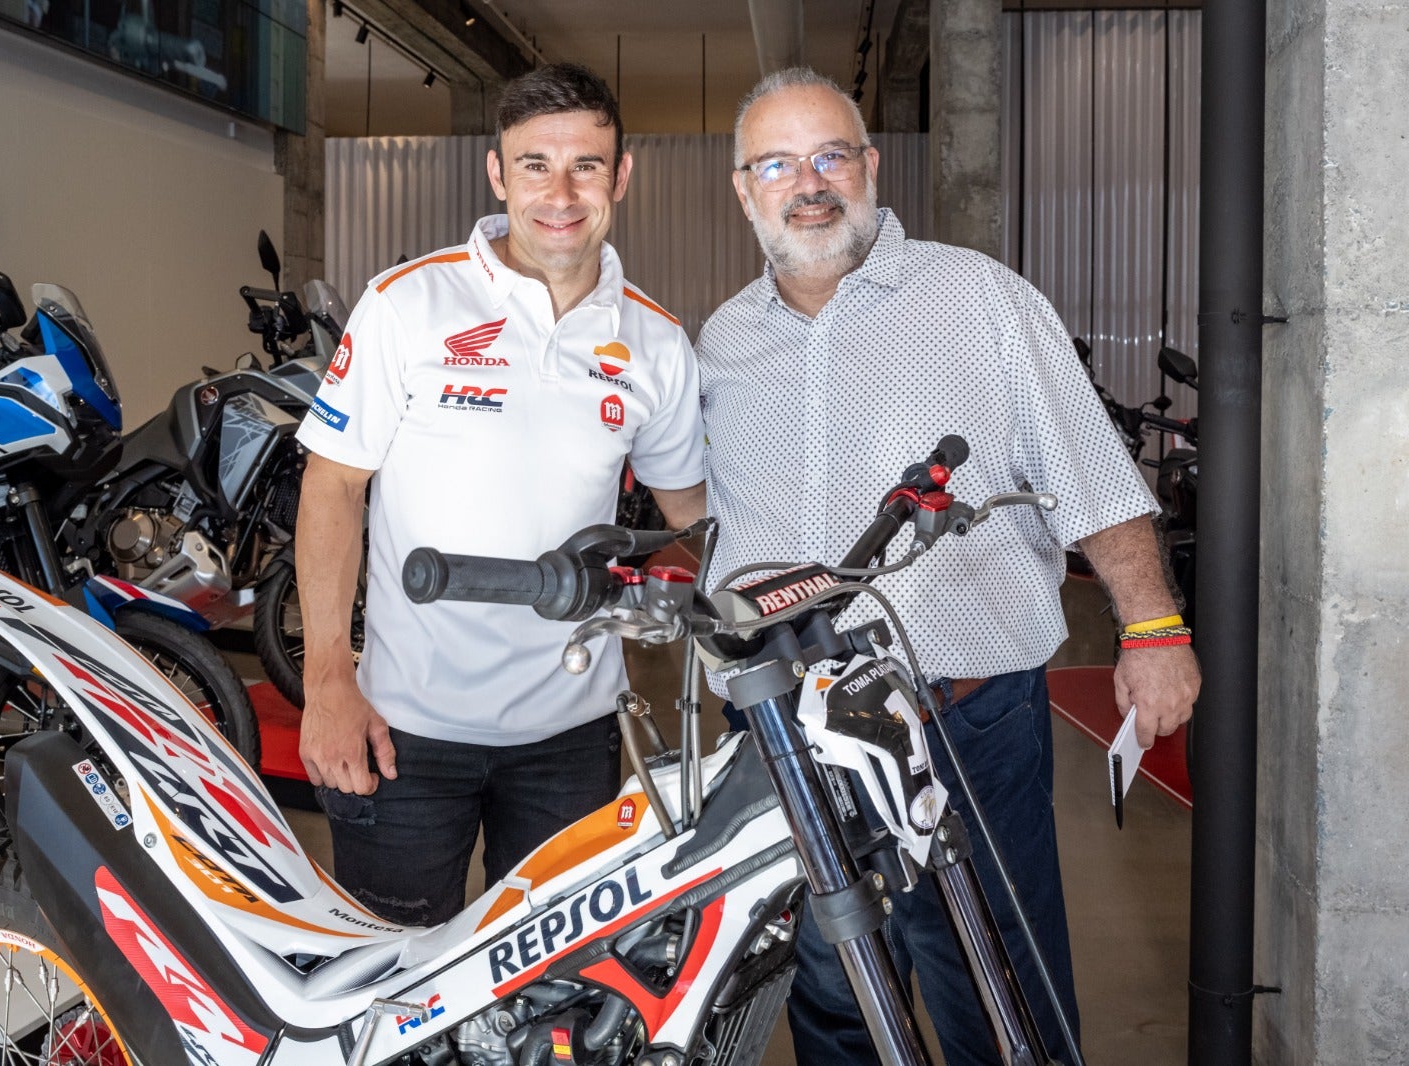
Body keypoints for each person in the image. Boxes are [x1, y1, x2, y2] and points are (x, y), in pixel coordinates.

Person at [697, 68, 1201, 1065]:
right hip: (789, 732)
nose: (810, 183)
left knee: (994, 991)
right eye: (778, 163)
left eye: (831, 154)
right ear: (742, 189)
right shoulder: (719, 342)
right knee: (831, 988)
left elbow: (1091, 477)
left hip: (959, 719)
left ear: (870, 166)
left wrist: (1151, 628)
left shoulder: (979, 298)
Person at [292, 63, 707, 929]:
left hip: (572, 740)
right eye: (534, 165)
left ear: (621, 177)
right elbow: (332, 484)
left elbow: (691, 516)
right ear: (497, 174)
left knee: (554, 1001)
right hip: (404, 733)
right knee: (392, 990)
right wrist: (328, 679)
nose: (560, 193)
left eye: (586, 165)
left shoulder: (657, 342)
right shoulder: (407, 304)